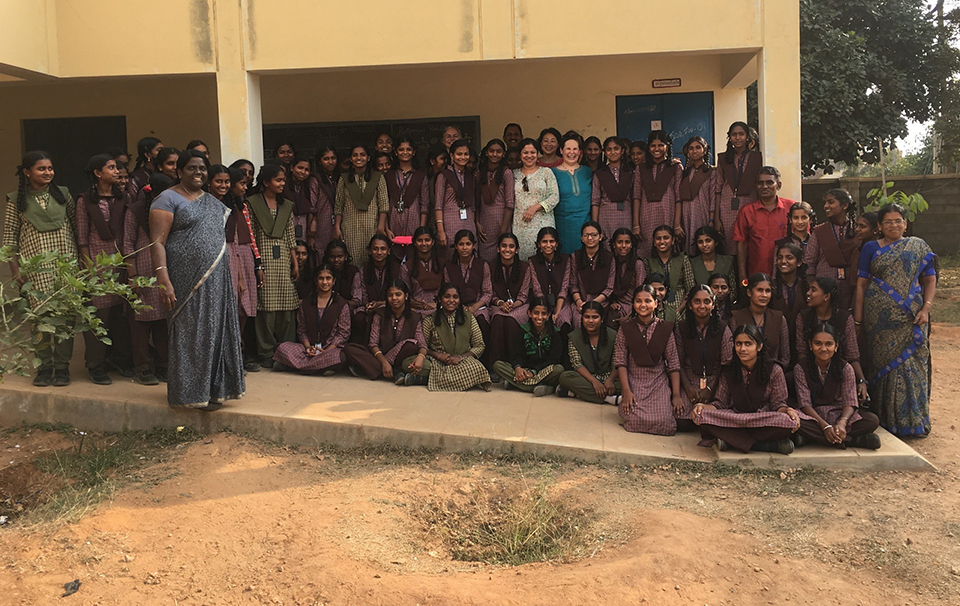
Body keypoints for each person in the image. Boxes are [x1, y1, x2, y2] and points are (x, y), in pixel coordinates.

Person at [149, 150, 245, 410]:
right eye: (192, 168)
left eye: (202, 168)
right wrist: (163, 279)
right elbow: (157, 243)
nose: (198, 173)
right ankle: (188, 393)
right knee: (190, 333)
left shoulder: (212, 202)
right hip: (183, 280)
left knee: (216, 331)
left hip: (217, 281)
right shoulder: (166, 199)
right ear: (179, 171)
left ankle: (214, 391)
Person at [855, 203, 936, 437]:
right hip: (878, 323)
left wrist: (926, 309)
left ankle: (915, 422)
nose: (894, 225)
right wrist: (858, 320)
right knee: (883, 369)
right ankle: (888, 422)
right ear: (879, 226)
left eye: (898, 220)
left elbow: (929, 280)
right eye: (888, 222)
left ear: (905, 223)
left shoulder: (918, 246)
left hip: (913, 319)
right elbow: (861, 285)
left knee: (913, 366)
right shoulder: (870, 248)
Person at [4, 151, 78, 387]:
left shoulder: (63, 194)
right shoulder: (16, 200)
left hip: (66, 267)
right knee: (39, 319)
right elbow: (9, 241)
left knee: (65, 319)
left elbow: (77, 228)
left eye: (50, 168)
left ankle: (62, 367)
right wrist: (16, 271)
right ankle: (45, 367)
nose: (48, 172)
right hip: (35, 271)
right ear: (27, 172)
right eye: (41, 169)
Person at [692, 324, 799, 454]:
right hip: (735, 418)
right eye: (739, 344)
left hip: (762, 419)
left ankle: (732, 441)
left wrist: (788, 410)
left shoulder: (774, 370)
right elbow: (720, 403)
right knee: (702, 416)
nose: (742, 349)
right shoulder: (730, 369)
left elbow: (778, 404)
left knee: (787, 421)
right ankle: (764, 446)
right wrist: (702, 407)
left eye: (748, 344)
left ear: (759, 347)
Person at [76, 154, 128, 385]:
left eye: (117, 168)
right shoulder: (85, 201)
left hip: (120, 264)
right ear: (98, 173)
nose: (117, 171)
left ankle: (117, 358)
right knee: (98, 315)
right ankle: (95, 364)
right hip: (96, 264)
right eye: (111, 168)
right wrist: (89, 268)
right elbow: (82, 236)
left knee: (120, 315)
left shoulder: (123, 198)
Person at [793, 323, 881, 449]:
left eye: (829, 344)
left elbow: (850, 402)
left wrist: (842, 423)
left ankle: (813, 438)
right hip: (813, 417)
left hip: (838, 414)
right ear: (810, 345)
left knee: (872, 420)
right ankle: (854, 441)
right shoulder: (801, 368)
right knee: (793, 421)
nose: (823, 349)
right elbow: (805, 404)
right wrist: (825, 427)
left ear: (836, 346)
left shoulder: (846, 368)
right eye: (818, 343)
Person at [247, 164, 299, 368]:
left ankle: (286, 349)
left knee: (286, 302)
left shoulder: (286, 205)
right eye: (278, 180)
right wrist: (256, 263)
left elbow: (290, 235)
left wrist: (294, 262)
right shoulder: (252, 204)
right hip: (263, 257)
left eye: (284, 180)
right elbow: (251, 235)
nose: (282, 183)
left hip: (283, 256)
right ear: (266, 182)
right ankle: (266, 350)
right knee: (266, 304)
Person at [123, 171, 171, 385]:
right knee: (140, 322)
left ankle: (164, 364)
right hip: (142, 269)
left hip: (166, 269)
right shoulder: (135, 210)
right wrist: (132, 274)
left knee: (163, 320)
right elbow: (127, 242)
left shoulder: (172, 208)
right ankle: (143, 367)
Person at [615, 285, 684, 435]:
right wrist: (627, 391)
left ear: (656, 304)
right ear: (633, 304)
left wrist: (676, 395)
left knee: (665, 423)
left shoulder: (665, 329)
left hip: (657, 382)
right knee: (633, 420)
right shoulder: (625, 328)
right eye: (638, 301)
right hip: (635, 381)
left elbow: (674, 364)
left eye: (648, 300)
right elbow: (621, 362)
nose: (643, 305)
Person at [402, 283, 492, 391]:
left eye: (455, 297)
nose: (451, 300)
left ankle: (424, 379)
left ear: (459, 300)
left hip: (462, 361)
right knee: (408, 363)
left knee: (478, 369)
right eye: (447, 296)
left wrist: (459, 358)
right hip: (436, 362)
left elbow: (479, 345)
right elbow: (423, 346)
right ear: (440, 299)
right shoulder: (430, 320)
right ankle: (452, 381)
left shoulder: (469, 318)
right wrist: (438, 355)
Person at [798, 276, 868, 401]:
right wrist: (813, 374)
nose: (808, 293)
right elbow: (801, 352)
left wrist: (861, 380)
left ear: (826, 296)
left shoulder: (844, 318)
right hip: (810, 375)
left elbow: (852, 354)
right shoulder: (803, 317)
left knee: (870, 420)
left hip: (838, 373)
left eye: (813, 290)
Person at [344, 280, 426, 383]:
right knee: (349, 348)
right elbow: (373, 344)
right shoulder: (380, 314)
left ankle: (374, 370)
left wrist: (420, 357)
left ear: (406, 296)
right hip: (379, 356)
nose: (394, 298)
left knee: (411, 345)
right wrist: (384, 362)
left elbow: (422, 344)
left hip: (401, 356)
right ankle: (393, 371)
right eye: (390, 295)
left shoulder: (414, 317)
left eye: (398, 294)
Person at [274, 263, 349, 375]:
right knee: (282, 347)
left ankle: (297, 367)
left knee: (340, 356)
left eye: (328, 278)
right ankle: (319, 367)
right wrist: (308, 347)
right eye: (321, 278)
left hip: (329, 349)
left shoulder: (342, 304)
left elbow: (343, 333)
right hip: (308, 349)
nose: (324, 282)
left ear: (334, 281)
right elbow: (302, 329)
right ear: (315, 281)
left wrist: (326, 351)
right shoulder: (306, 302)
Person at [676, 285, 733, 427]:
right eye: (697, 301)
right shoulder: (681, 328)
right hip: (690, 381)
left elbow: (727, 363)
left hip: (717, 381)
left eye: (707, 302)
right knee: (682, 420)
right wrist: (688, 388)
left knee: (717, 416)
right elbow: (677, 363)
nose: (702, 306)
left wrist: (709, 389)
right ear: (689, 305)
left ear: (713, 305)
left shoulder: (723, 328)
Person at [493, 297, 563, 396]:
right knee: (498, 365)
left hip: (543, 371)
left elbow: (553, 359)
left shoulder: (554, 334)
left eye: (543, 314)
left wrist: (534, 372)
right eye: (536, 313)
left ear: (548, 315)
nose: (539, 317)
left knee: (559, 369)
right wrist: (518, 368)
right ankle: (539, 386)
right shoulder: (523, 331)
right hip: (525, 371)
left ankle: (518, 384)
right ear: (529, 313)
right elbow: (517, 354)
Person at [804, 189, 860, 311]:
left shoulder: (857, 230)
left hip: (851, 287)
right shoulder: (819, 231)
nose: (826, 206)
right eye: (825, 203)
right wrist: (814, 287)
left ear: (844, 205)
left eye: (831, 202)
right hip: (824, 288)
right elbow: (809, 261)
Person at [733, 166, 791, 280]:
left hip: (787, 275)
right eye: (760, 183)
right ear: (756, 186)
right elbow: (741, 245)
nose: (765, 186)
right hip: (757, 275)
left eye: (769, 182)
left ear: (778, 185)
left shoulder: (791, 208)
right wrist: (742, 275)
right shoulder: (747, 211)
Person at [334, 144, 389, 264]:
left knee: (371, 259)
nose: (359, 158)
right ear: (350, 158)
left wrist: (380, 227)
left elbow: (384, 205)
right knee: (351, 261)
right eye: (355, 155)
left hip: (371, 226)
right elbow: (339, 206)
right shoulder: (343, 179)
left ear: (368, 158)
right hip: (349, 228)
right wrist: (337, 227)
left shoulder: (378, 177)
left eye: (362, 155)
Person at [558, 302, 621, 403]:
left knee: (629, 381)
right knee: (565, 377)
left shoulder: (614, 335)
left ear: (602, 319)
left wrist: (610, 380)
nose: (590, 321)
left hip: (608, 377)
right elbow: (577, 364)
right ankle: (609, 399)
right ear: (582, 318)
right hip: (587, 378)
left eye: (595, 317)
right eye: (587, 317)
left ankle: (577, 393)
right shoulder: (574, 337)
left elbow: (617, 362)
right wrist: (594, 382)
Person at [715, 122, 763, 255]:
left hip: (750, 203)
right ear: (729, 137)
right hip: (727, 207)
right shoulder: (723, 158)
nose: (737, 138)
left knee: (749, 241)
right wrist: (716, 218)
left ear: (747, 137)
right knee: (730, 243)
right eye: (734, 134)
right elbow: (718, 188)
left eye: (741, 134)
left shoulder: (756, 157)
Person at [488, 233, 532, 375]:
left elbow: (524, 295)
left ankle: (515, 364)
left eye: (511, 246)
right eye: (504, 246)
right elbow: (490, 292)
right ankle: (495, 366)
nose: (508, 249)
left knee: (511, 320)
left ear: (517, 250)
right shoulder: (490, 266)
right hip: (497, 304)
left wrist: (513, 305)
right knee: (498, 319)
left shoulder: (525, 267)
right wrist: (501, 303)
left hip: (519, 305)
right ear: (498, 249)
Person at [635, 130, 683, 259]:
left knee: (667, 247)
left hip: (668, 214)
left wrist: (677, 224)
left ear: (667, 146)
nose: (657, 149)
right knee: (647, 249)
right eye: (653, 145)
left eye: (661, 145)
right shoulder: (641, 168)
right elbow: (636, 197)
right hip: (646, 217)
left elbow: (679, 198)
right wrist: (636, 224)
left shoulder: (675, 167)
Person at [729, 273, 790, 368]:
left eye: (768, 291)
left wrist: (775, 372)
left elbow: (785, 357)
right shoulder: (736, 318)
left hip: (772, 372)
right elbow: (731, 353)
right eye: (760, 290)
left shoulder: (779, 318)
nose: (764, 295)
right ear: (749, 292)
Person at [512, 137, 559, 260]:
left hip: (542, 222)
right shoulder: (513, 174)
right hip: (520, 224)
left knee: (544, 256)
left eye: (532, 152)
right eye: (525, 152)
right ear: (520, 155)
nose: (529, 156)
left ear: (537, 154)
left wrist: (535, 208)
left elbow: (555, 197)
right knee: (523, 257)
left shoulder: (546, 172)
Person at [384, 137, 429, 261]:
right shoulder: (389, 175)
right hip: (393, 223)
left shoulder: (420, 175)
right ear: (395, 152)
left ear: (414, 152)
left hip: (414, 223)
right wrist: (386, 228)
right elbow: (383, 204)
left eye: (408, 149)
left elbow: (424, 205)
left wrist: (421, 231)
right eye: (401, 149)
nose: (405, 152)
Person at [443, 229, 493, 331]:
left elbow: (488, 293)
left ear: (473, 246)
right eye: (461, 244)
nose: (465, 248)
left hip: (478, 307)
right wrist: (459, 307)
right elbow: (447, 292)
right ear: (456, 246)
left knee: (481, 321)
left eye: (468, 244)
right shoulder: (449, 267)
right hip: (455, 306)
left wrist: (474, 307)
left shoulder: (482, 265)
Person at [355, 234, 401, 343]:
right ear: (370, 251)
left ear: (389, 250)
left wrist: (381, 304)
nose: (379, 252)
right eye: (375, 249)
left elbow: (403, 294)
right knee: (359, 317)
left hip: (392, 306)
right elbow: (362, 293)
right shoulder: (364, 269)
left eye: (383, 249)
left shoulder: (398, 268)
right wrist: (368, 304)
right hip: (369, 308)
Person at [475, 139, 515, 262]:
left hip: (502, 222)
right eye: (491, 151)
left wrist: (503, 229)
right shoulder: (479, 173)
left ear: (503, 154)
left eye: (498, 151)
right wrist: (477, 222)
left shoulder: (506, 173)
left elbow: (510, 204)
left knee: (503, 257)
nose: (495, 154)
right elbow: (476, 202)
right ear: (486, 152)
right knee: (485, 259)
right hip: (484, 224)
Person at [552, 135, 593, 255]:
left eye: (575, 149)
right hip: (563, 225)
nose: (571, 152)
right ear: (561, 150)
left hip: (585, 223)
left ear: (580, 152)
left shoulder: (587, 171)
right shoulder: (552, 173)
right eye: (568, 149)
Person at [770, 242, 808, 371]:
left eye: (789, 257)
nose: (783, 261)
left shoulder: (807, 287)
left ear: (799, 262)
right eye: (780, 257)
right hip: (777, 347)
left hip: (803, 346)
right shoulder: (770, 287)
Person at [569, 221, 614, 328]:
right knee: (577, 318)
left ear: (600, 236)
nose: (590, 238)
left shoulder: (609, 257)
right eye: (586, 235)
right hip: (581, 302)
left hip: (601, 302)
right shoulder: (575, 256)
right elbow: (573, 285)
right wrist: (579, 302)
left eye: (594, 235)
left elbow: (609, 288)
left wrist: (593, 303)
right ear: (582, 238)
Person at [643, 225, 695, 317]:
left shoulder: (683, 259)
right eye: (658, 238)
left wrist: (679, 309)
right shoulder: (648, 261)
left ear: (673, 240)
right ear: (654, 241)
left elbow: (690, 288)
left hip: (681, 305)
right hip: (655, 305)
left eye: (666, 238)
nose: (662, 241)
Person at [679, 136, 719, 255]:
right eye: (691, 148)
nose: (694, 151)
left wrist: (711, 220)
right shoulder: (685, 173)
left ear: (705, 150)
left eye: (698, 147)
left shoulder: (711, 172)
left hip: (703, 213)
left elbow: (713, 197)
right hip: (686, 215)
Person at [591, 136, 634, 245]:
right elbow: (595, 201)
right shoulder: (600, 174)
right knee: (607, 246)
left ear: (622, 151)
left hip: (626, 215)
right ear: (604, 152)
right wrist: (595, 226)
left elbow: (635, 198)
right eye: (609, 149)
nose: (612, 152)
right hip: (606, 216)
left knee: (625, 245)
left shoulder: (631, 172)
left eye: (616, 148)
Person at [435, 139, 477, 250]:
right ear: (452, 156)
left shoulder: (469, 176)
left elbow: (472, 206)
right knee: (452, 255)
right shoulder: (443, 176)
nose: (463, 157)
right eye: (459, 154)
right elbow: (438, 206)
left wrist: (473, 225)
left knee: (470, 253)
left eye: (466, 154)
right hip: (450, 223)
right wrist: (440, 231)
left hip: (468, 222)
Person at [528, 226, 571, 328]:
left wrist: (557, 312)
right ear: (538, 244)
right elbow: (537, 290)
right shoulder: (532, 261)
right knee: (542, 320)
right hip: (541, 303)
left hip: (562, 303)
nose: (548, 245)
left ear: (556, 243)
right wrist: (545, 311)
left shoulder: (566, 259)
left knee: (563, 320)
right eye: (544, 241)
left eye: (551, 241)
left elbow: (564, 289)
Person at [401, 226, 443, 316]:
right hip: (417, 310)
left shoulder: (442, 264)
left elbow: (449, 290)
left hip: (440, 308)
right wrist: (412, 302)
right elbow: (404, 292)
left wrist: (438, 303)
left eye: (427, 240)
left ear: (433, 242)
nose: (424, 243)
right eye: (420, 240)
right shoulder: (406, 267)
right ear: (415, 243)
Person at [608, 228, 646, 325]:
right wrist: (612, 302)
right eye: (620, 242)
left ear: (632, 244)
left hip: (633, 305)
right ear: (614, 244)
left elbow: (640, 292)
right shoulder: (612, 262)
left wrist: (630, 314)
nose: (623, 246)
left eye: (627, 242)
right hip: (616, 305)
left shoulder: (638, 264)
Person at [309, 145, 339, 256]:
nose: (330, 162)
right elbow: (312, 206)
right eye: (326, 159)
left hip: (338, 223)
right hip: (321, 224)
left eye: (333, 158)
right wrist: (311, 235)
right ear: (320, 161)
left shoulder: (339, 178)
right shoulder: (315, 180)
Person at [690, 225, 737, 292]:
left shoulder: (728, 261)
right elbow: (691, 290)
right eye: (700, 242)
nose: (704, 245)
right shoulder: (691, 263)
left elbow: (733, 290)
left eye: (708, 241)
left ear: (716, 242)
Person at [323, 239, 363, 313]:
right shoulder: (323, 272)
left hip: (347, 308)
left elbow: (357, 301)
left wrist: (339, 304)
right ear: (328, 257)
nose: (336, 260)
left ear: (346, 256)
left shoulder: (353, 272)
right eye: (332, 257)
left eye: (340, 256)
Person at [284, 156, 315, 241]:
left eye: (306, 170)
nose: (303, 172)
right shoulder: (283, 185)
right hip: (287, 224)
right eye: (300, 168)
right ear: (291, 168)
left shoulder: (308, 185)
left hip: (303, 224)